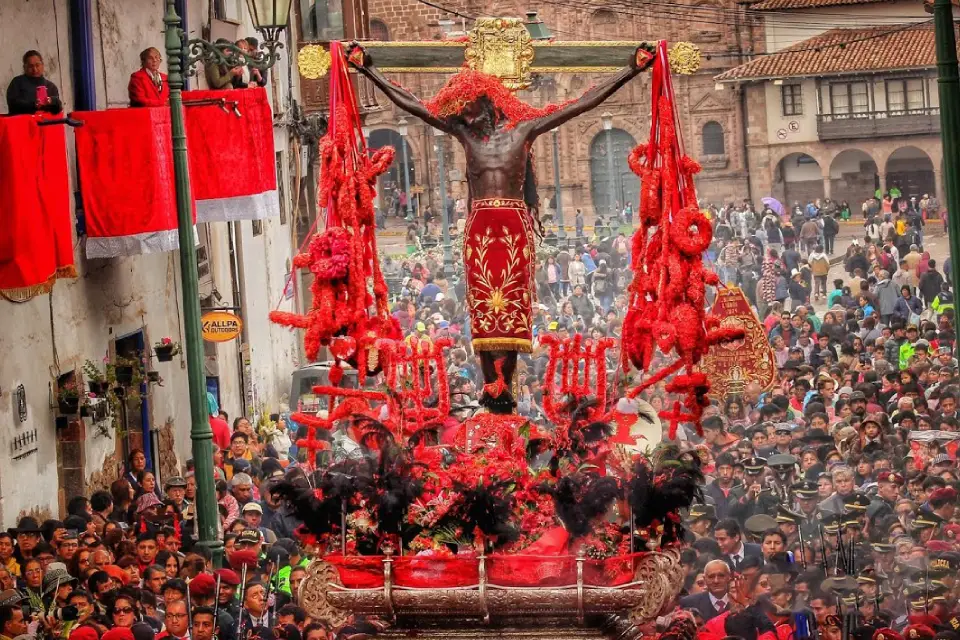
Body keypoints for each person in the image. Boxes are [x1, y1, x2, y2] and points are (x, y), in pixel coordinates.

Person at [349, 40, 654, 412]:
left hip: (512, 226)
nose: (462, 112)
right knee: (482, 310)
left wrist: (631, 70)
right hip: (479, 229)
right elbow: (413, 106)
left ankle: (504, 385)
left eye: (468, 105)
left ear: (487, 103)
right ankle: (488, 384)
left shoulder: (524, 130)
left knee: (511, 310)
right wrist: (368, 71)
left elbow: (580, 104)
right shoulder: (465, 133)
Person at [6, 50, 62, 116]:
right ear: (24, 67)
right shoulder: (17, 83)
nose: (35, 69)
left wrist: (52, 101)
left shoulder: (51, 86)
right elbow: (13, 105)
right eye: (30, 66)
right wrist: (33, 105)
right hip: (23, 123)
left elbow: (58, 109)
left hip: (45, 124)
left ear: (43, 65)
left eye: (37, 65)